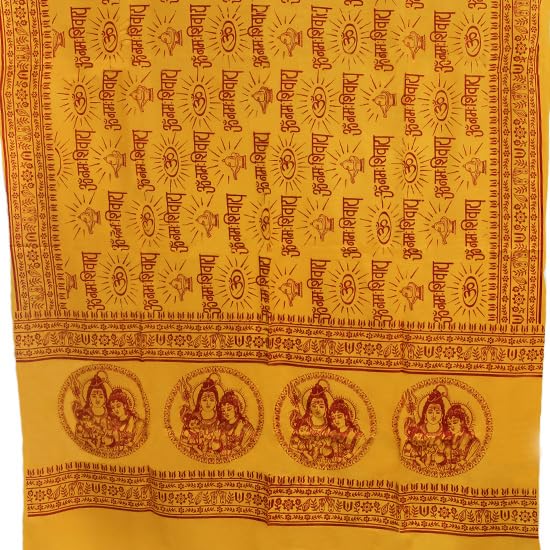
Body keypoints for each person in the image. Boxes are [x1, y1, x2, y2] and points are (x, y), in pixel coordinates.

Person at [403, 386, 448, 469]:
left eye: (437, 412)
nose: (434, 415)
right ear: (425, 414)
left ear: (442, 415)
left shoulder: (446, 432)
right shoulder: (418, 430)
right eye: (430, 412)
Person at [290, 380, 333, 462]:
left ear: (326, 408)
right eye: (314, 406)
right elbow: (292, 443)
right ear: (309, 408)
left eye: (321, 406)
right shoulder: (303, 423)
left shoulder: (329, 427)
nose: (317, 409)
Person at [219, 390, 255, 456]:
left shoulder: (245, 426)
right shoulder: (221, 426)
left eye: (229, 409)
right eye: (223, 410)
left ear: (236, 408)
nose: (226, 413)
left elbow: (247, 446)